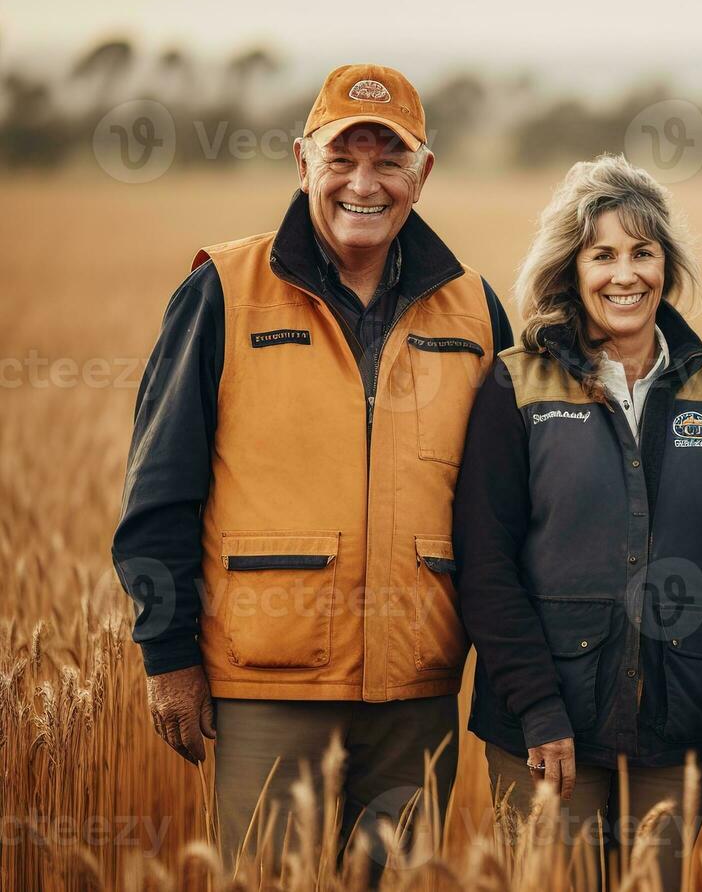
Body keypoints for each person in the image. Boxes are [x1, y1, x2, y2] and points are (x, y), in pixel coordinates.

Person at [111, 63, 513, 866]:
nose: (364, 183)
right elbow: (159, 492)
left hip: (416, 695)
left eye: (389, 160)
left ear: (422, 174)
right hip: (267, 689)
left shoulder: (475, 308)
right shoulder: (222, 290)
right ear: (303, 164)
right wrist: (170, 657)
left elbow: (506, 501)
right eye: (342, 158)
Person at [453, 153, 702, 889]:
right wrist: (537, 706)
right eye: (601, 255)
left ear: (668, 265)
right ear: (571, 268)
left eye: (643, 252)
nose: (624, 274)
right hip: (545, 729)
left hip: (677, 724)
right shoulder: (515, 385)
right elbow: (484, 565)